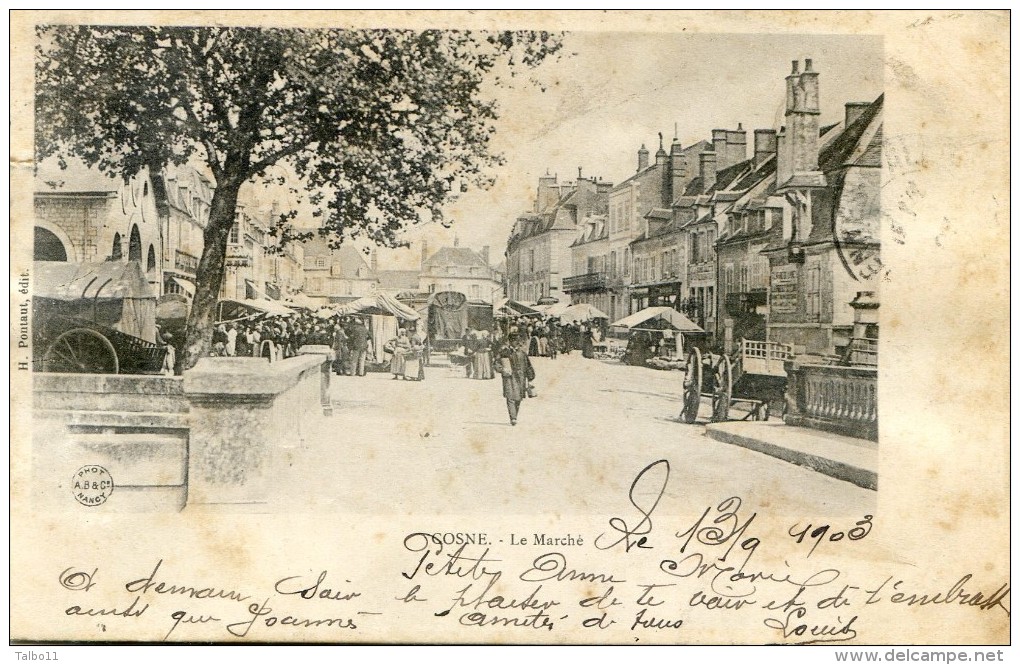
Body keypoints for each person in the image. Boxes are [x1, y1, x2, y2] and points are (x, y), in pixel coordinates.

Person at [498, 332, 535, 426]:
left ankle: (515, 415)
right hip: (509, 378)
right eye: (513, 340)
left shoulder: (522, 353)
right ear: (510, 341)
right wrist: (502, 370)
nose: (516, 342)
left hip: (521, 378)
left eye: (517, 340)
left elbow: (528, 366)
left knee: (518, 399)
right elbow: (496, 363)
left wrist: (530, 378)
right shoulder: (504, 352)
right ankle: (513, 417)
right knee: (510, 397)